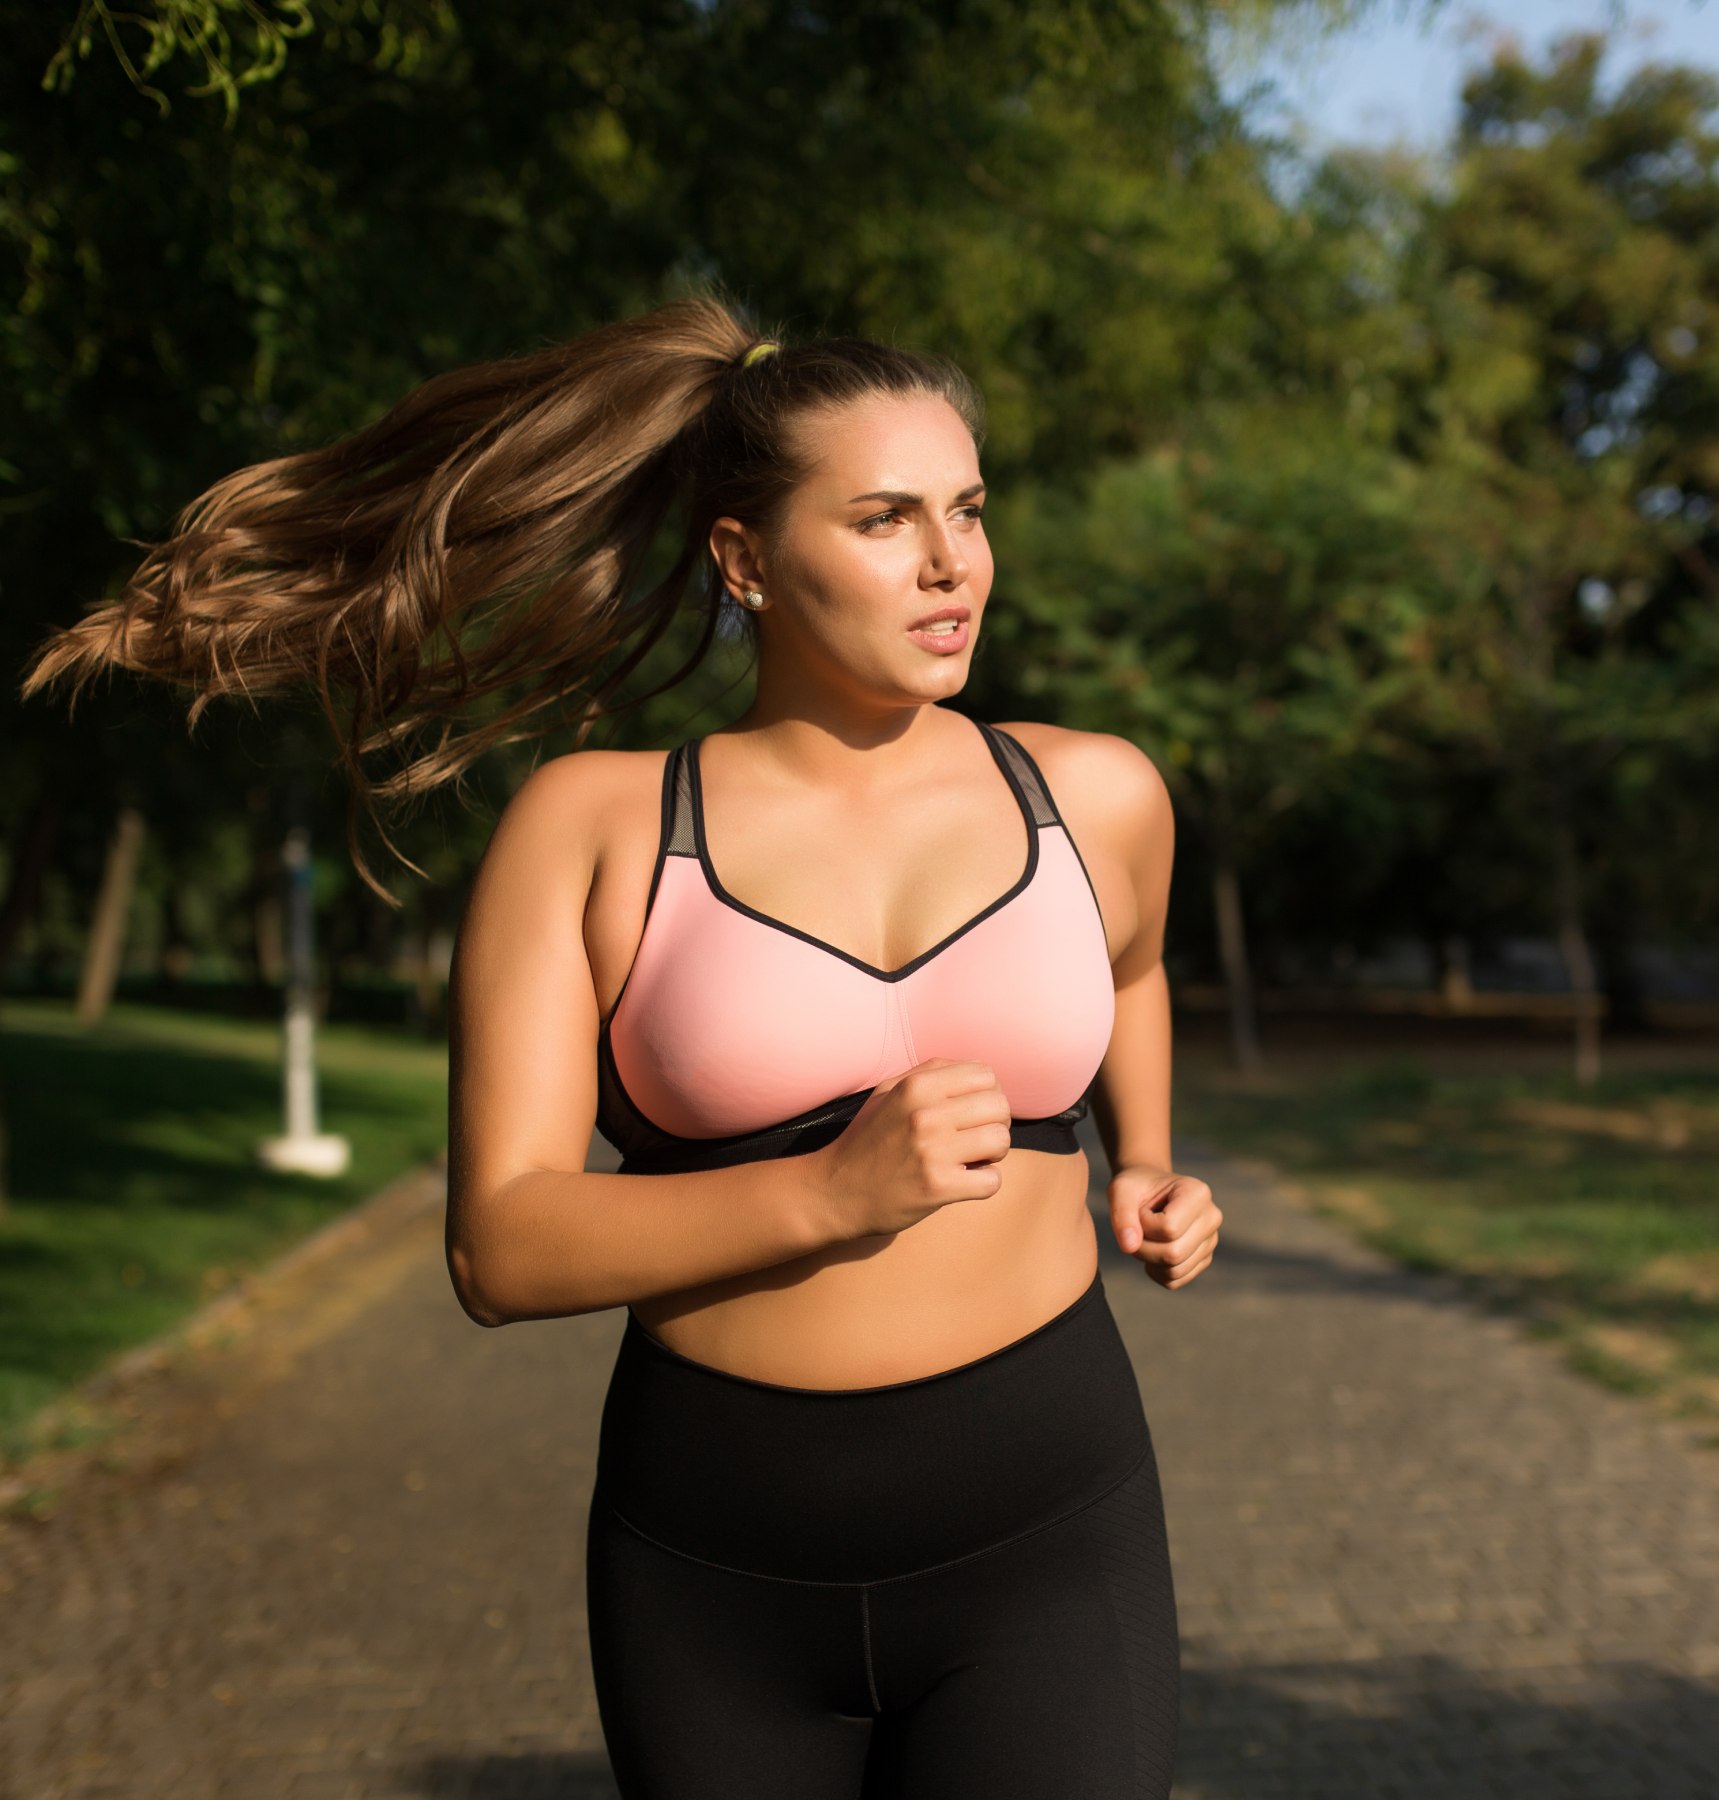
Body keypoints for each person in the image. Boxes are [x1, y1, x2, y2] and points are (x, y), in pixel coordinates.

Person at [22, 289, 1223, 1797]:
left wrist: (1150, 1159)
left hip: (1051, 1537)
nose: (951, 563)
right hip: (718, 1579)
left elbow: (1136, 967)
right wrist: (830, 1196)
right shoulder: (594, 831)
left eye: (968, 510)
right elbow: (500, 1252)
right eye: (883, 519)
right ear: (744, 559)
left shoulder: (1097, 794)